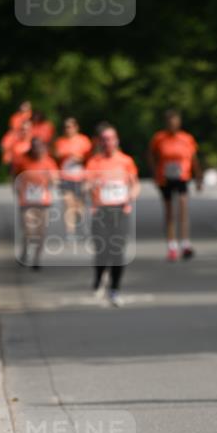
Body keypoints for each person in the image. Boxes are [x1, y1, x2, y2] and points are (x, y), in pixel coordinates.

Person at [84, 126, 139, 306]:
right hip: (100, 211)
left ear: (117, 141)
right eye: (105, 139)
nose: (108, 142)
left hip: (120, 210)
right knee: (102, 250)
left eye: (111, 138)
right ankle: (99, 277)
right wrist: (92, 184)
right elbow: (85, 186)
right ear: (100, 142)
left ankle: (114, 288)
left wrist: (131, 196)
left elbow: (135, 185)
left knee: (117, 251)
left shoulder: (126, 161)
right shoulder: (94, 162)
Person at [148, 110, 203, 260]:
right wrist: (154, 174)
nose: (173, 125)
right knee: (169, 212)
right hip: (165, 178)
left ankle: (185, 243)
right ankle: (172, 245)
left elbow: (194, 159)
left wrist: (199, 177)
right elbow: (152, 156)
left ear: (179, 123)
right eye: (170, 122)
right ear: (166, 123)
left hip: (182, 176)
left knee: (183, 208)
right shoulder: (159, 138)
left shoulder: (186, 138)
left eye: (175, 122)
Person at [12, 137, 59, 268]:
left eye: (39, 147)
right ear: (31, 149)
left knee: (41, 232)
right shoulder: (23, 160)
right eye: (34, 147)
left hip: (43, 202)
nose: (37, 150)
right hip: (26, 201)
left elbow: (55, 178)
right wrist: (16, 189)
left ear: (43, 148)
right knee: (28, 230)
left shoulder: (48, 161)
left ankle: (36, 259)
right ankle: (25, 251)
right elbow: (15, 176)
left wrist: (52, 179)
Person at [54, 117, 92, 235]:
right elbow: (55, 158)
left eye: (70, 126)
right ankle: (70, 232)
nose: (68, 129)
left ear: (76, 127)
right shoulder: (60, 142)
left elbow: (89, 159)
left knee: (79, 206)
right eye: (65, 127)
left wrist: (78, 158)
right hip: (65, 177)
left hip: (80, 177)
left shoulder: (84, 141)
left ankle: (81, 225)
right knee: (68, 204)